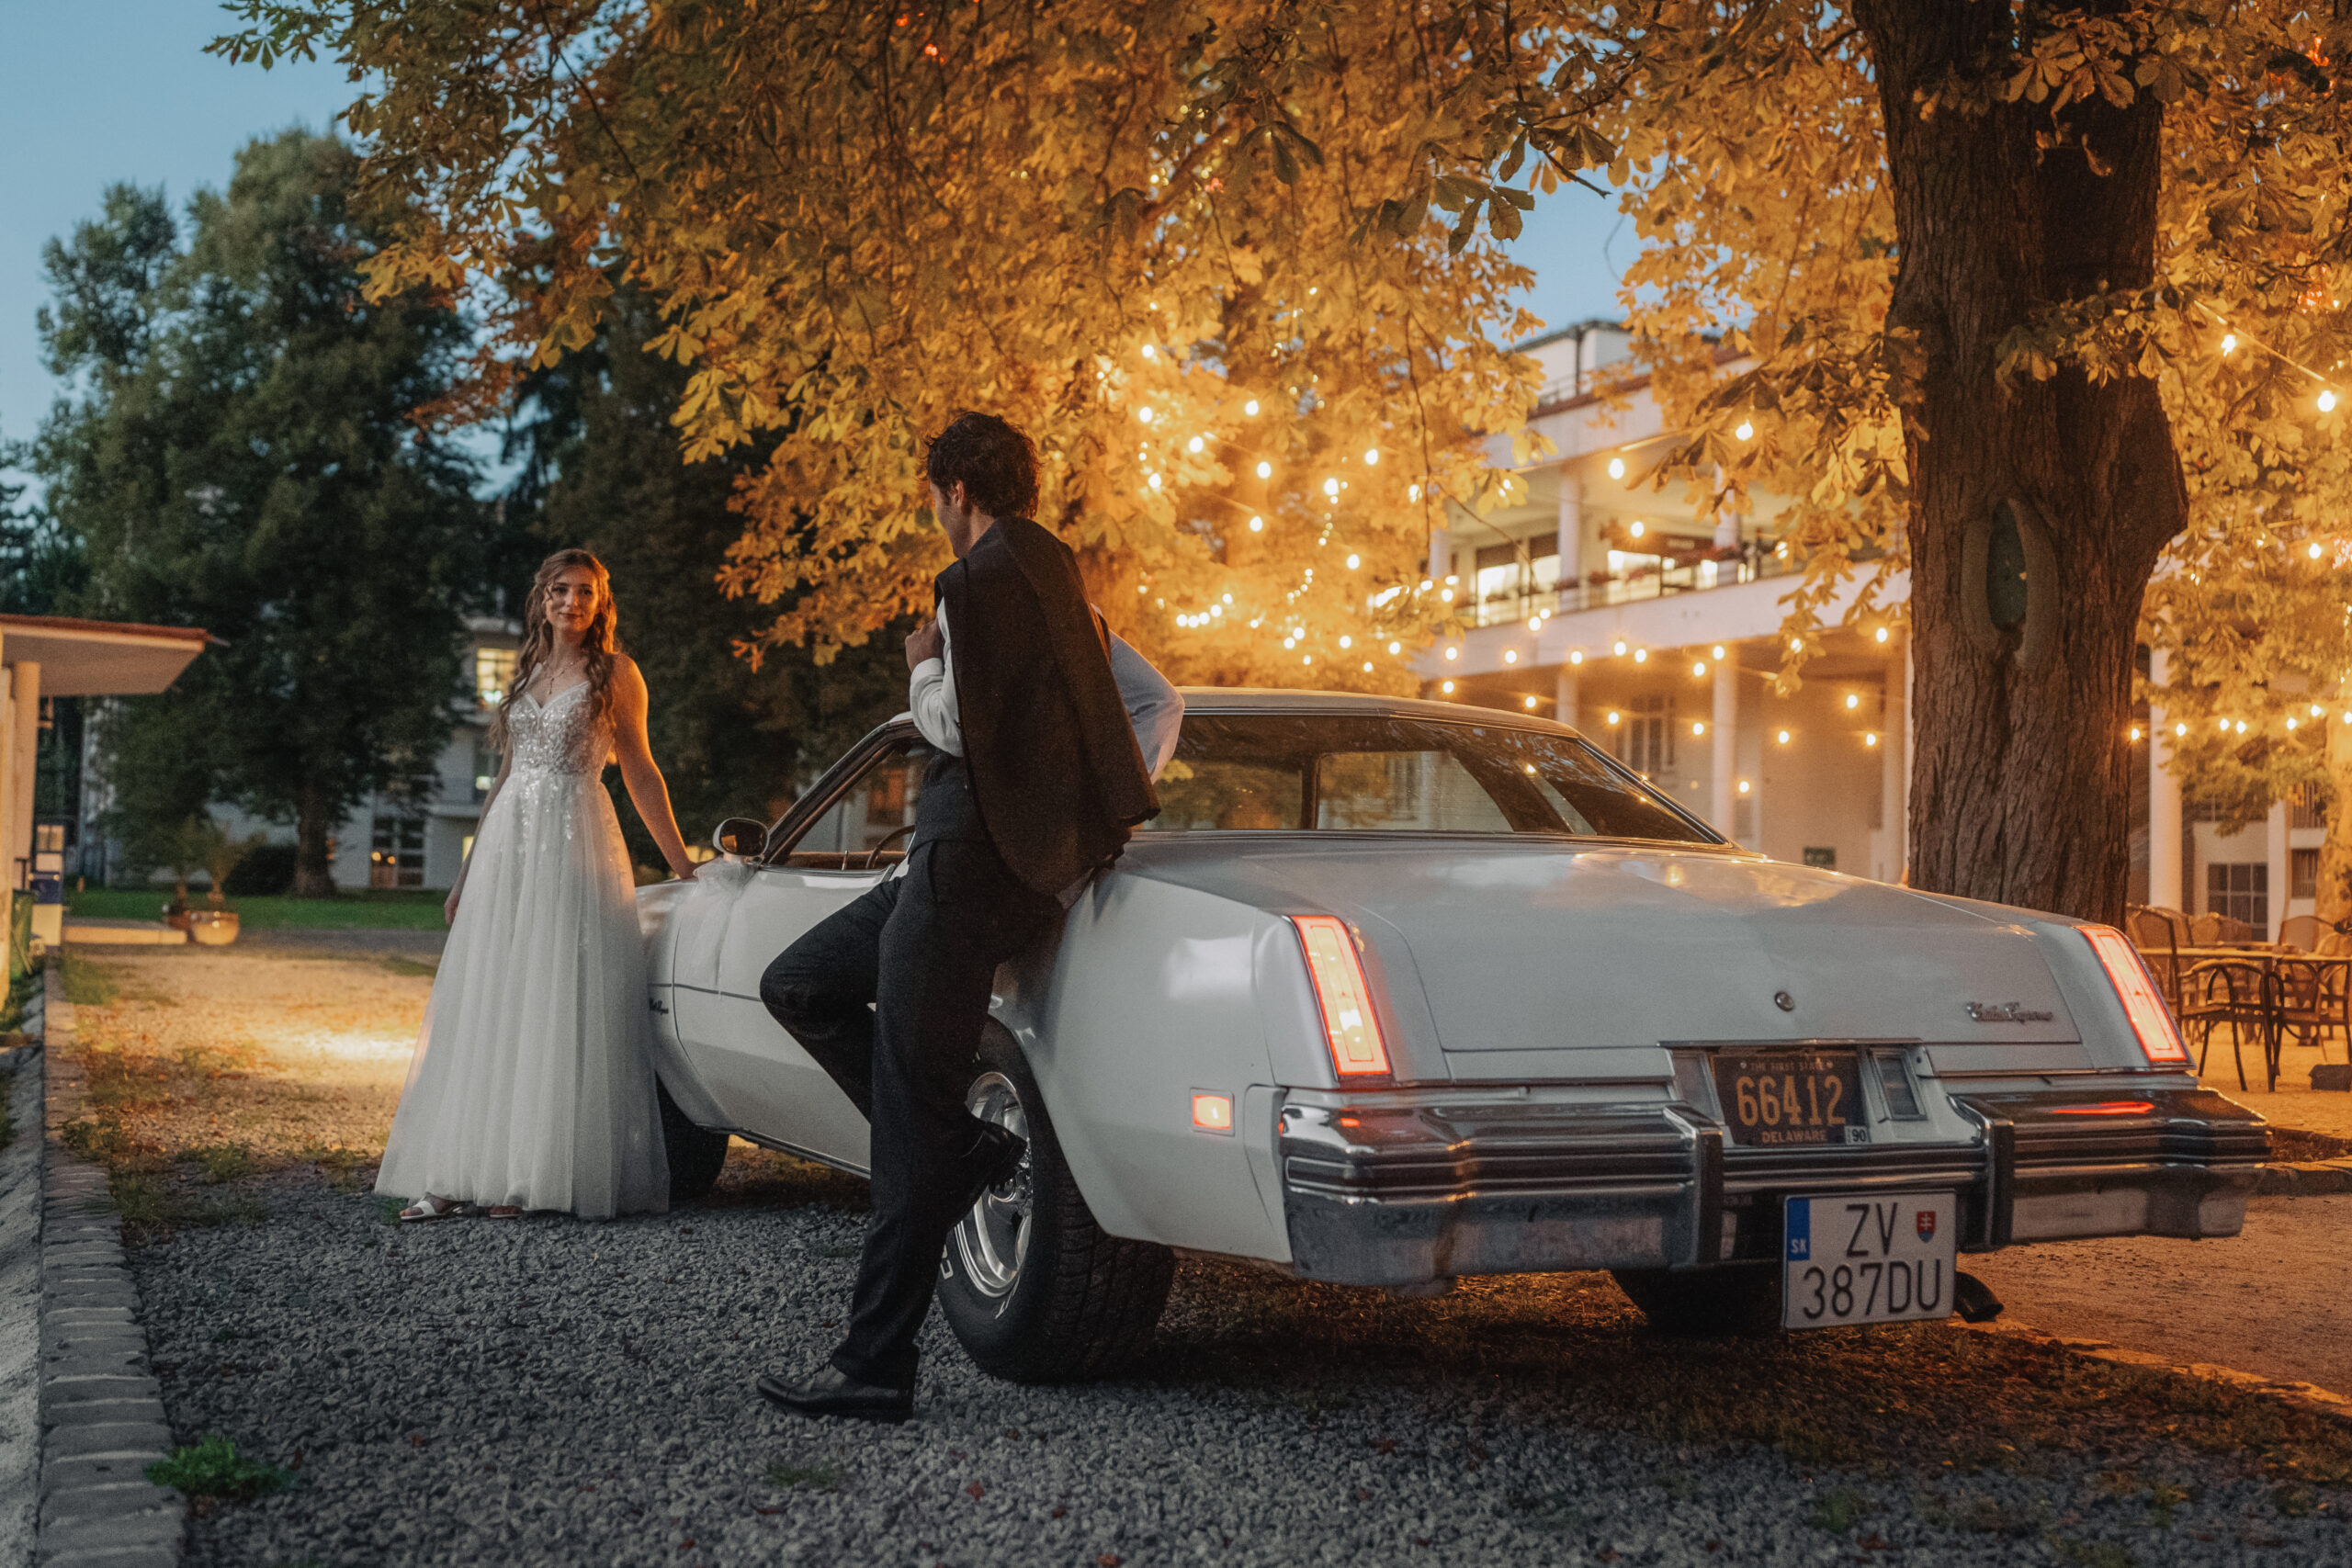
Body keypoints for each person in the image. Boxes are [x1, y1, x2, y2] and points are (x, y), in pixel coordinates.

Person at [755, 412, 1182, 1423]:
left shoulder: (971, 587)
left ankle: (874, 1363)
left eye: (933, 497)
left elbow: (954, 728)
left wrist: (919, 663)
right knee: (801, 984)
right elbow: (1159, 704)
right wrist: (1072, 823)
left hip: (959, 875)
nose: (935, 515)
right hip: (968, 874)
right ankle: (960, 1151)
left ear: (955, 491)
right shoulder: (1065, 593)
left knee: (909, 1115)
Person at [376, 548, 701, 1222]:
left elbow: (640, 770)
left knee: (553, 998)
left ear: (600, 602)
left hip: (574, 841)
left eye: (584, 591)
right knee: (491, 998)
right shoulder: (527, 668)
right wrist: (465, 875)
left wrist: (683, 864)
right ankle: (459, 1168)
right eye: (560, 589)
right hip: (508, 850)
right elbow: (504, 777)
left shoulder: (617, 673)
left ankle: (530, 1175)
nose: (571, 601)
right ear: (542, 598)